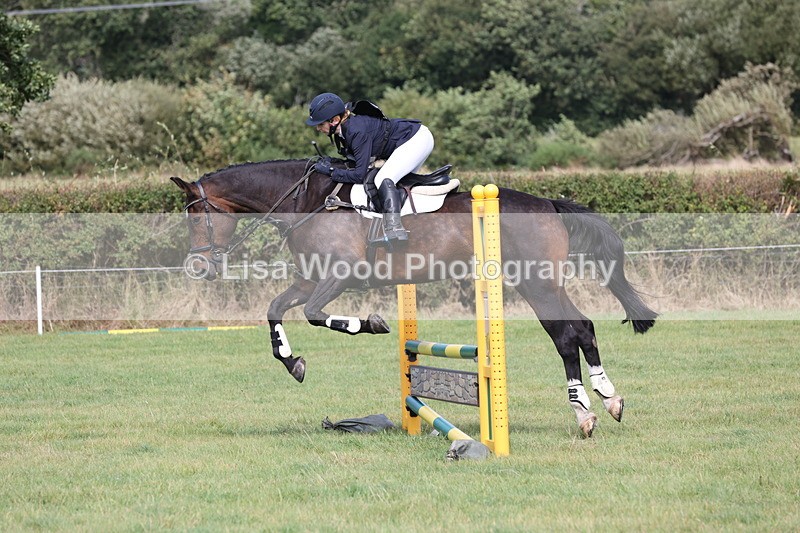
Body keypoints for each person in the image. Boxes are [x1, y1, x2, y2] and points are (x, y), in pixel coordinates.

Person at [305, 92, 434, 242]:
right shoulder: (345, 129)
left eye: (321, 124)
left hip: (417, 139)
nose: (318, 129)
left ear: (334, 120)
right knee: (396, 183)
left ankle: (395, 230)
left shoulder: (356, 131)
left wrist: (331, 171)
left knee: (383, 180)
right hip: (411, 138)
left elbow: (359, 175)